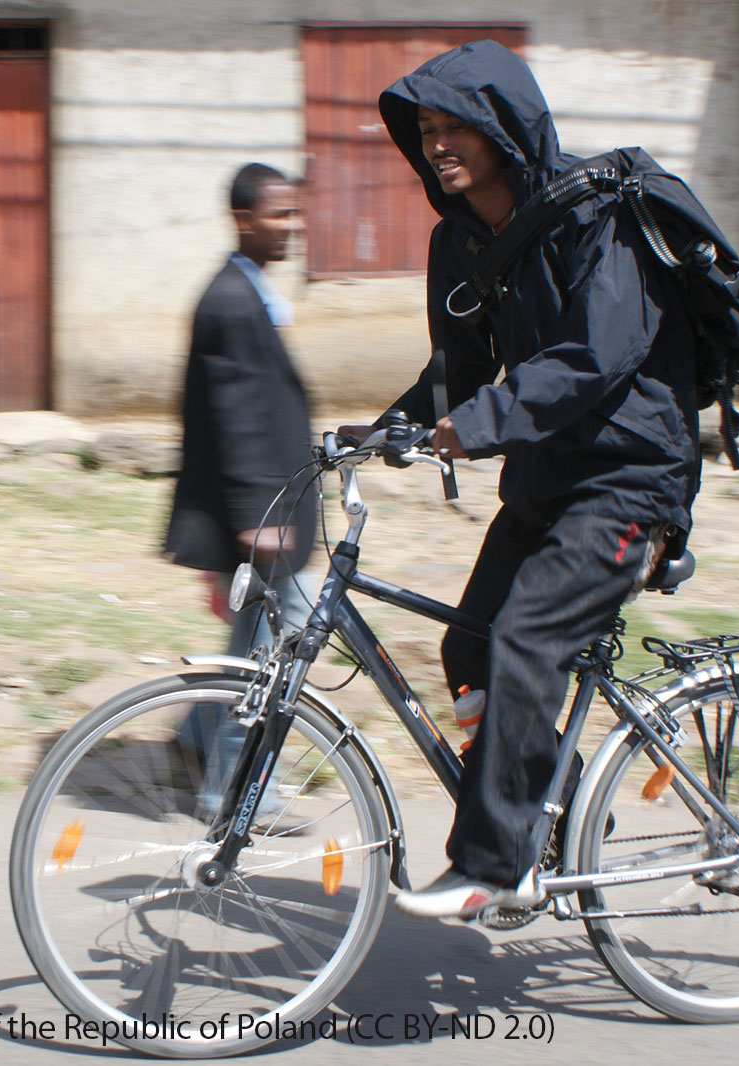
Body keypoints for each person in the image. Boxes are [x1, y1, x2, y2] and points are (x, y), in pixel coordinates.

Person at [342, 40, 701, 920]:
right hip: (546, 480)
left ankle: (493, 863)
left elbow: (595, 356)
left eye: (455, 125)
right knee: (470, 645)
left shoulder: (596, 219)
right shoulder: (458, 242)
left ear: (505, 126)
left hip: (629, 479)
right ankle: (552, 808)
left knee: (525, 639)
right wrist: (377, 432)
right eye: (425, 130)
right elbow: (455, 369)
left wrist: (484, 421)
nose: (436, 145)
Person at [163, 163, 317, 817]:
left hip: (267, 510)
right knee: (272, 651)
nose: (291, 227)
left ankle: (196, 736)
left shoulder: (245, 291)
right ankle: (233, 790)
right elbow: (230, 419)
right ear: (243, 220)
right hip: (261, 518)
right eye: (278, 215)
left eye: (294, 214)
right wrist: (257, 517)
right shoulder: (230, 300)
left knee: (253, 643)